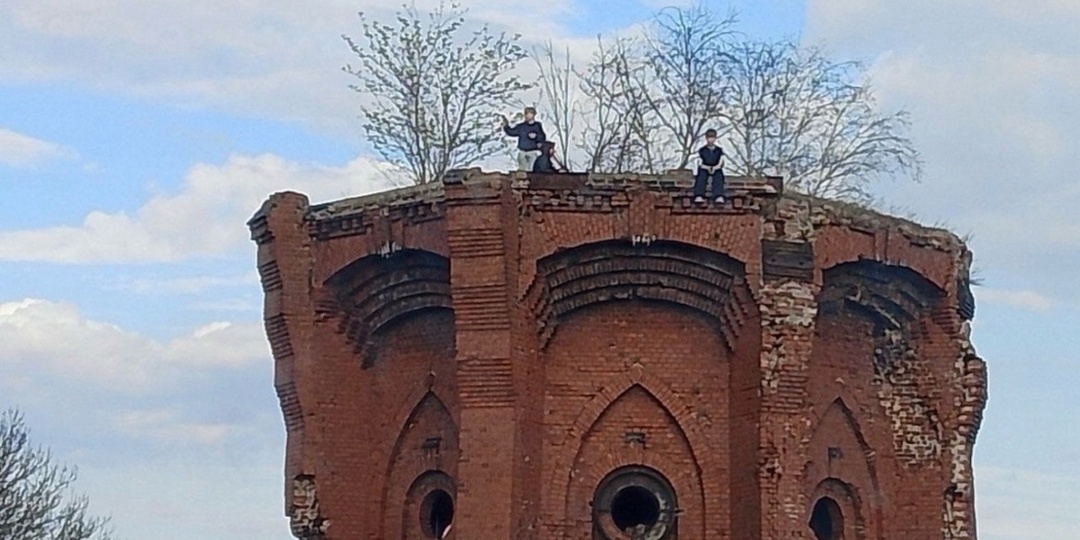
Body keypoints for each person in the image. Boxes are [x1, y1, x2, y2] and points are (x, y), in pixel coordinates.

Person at [501, 107, 546, 171]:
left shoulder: (537, 125)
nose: (527, 116)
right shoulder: (521, 126)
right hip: (522, 151)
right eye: (526, 114)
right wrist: (506, 126)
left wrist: (536, 136)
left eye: (530, 114)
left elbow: (542, 136)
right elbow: (511, 132)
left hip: (533, 151)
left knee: (531, 170)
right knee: (522, 170)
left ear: (534, 115)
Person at [693, 128, 726, 204]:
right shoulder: (702, 150)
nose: (711, 139)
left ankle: (718, 195)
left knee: (719, 176)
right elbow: (699, 162)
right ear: (706, 138)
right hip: (705, 168)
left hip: (716, 168)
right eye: (709, 137)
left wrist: (716, 167)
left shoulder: (719, 150)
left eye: (712, 137)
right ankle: (699, 195)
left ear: (715, 138)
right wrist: (706, 167)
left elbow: (722, 161)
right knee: (701, 176)